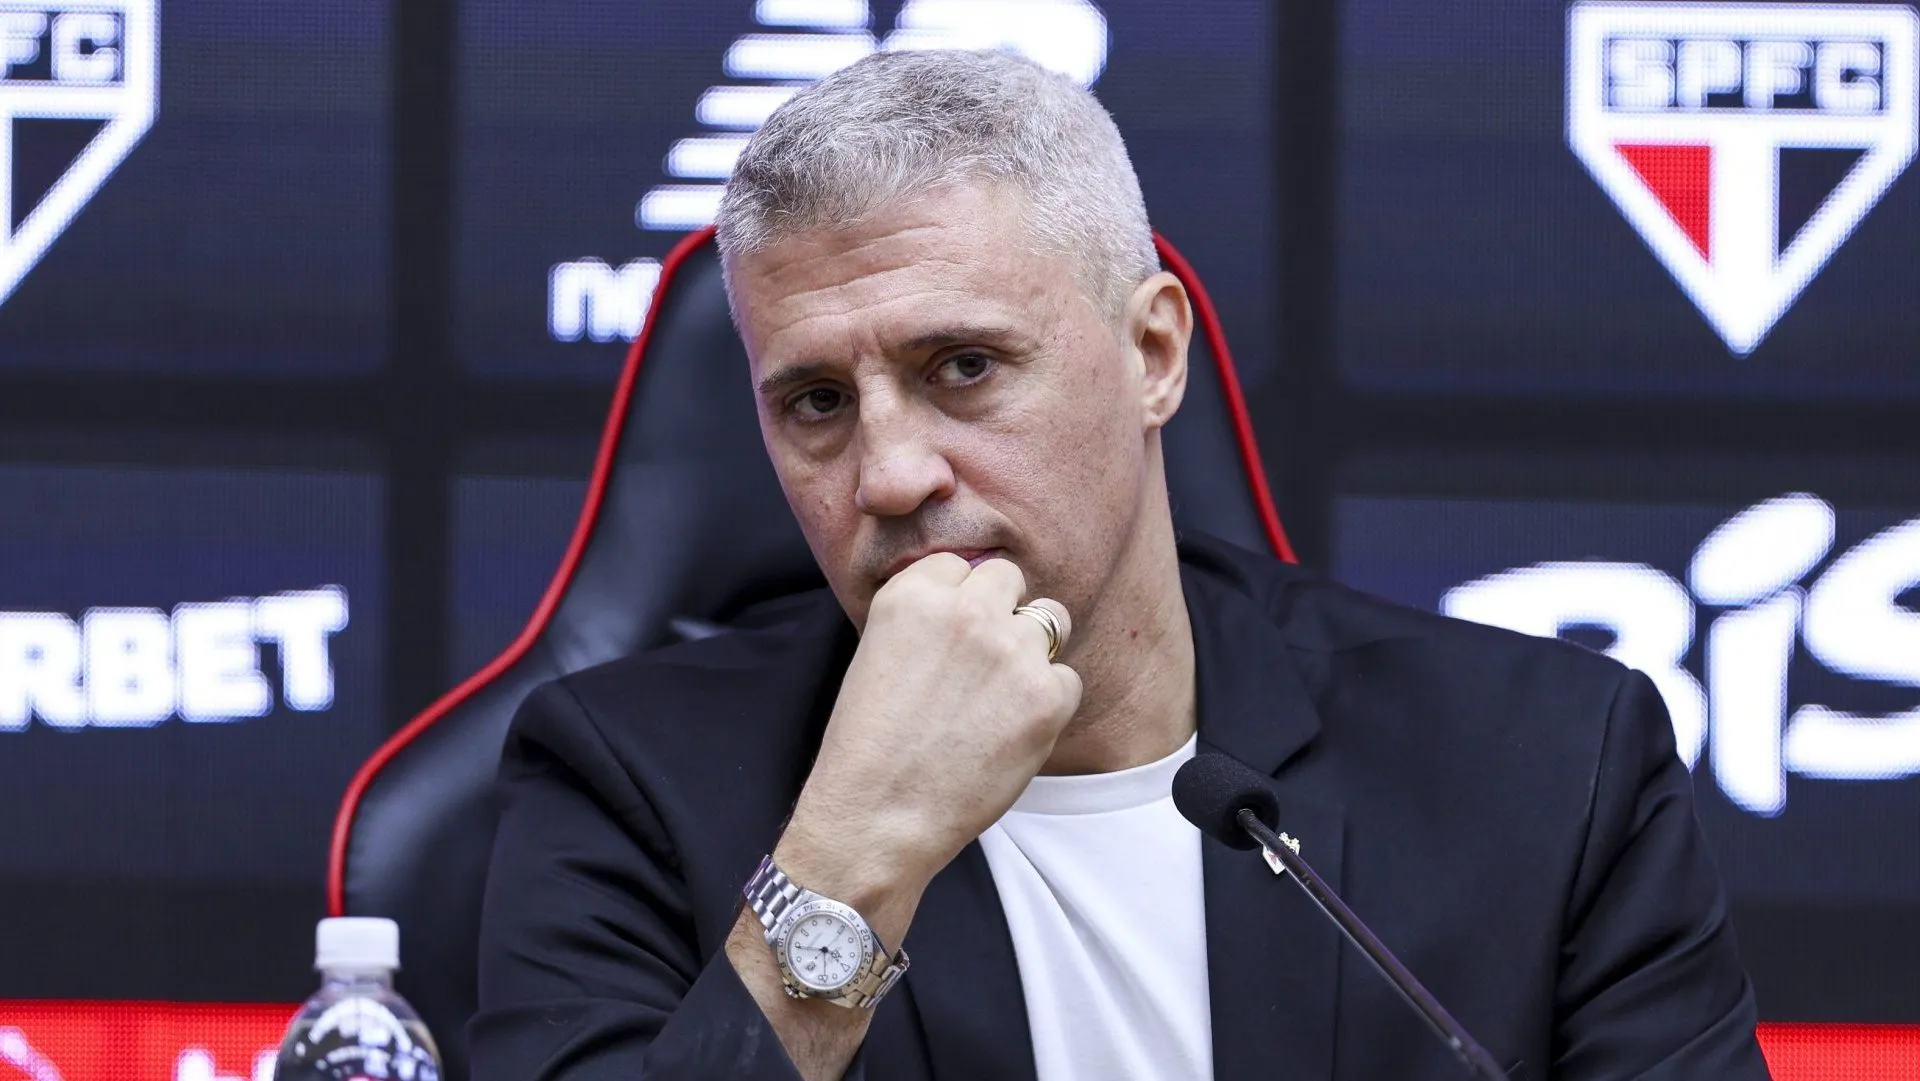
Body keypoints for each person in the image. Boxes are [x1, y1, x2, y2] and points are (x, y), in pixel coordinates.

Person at [469, 48, 1770, 1081]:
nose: (888, 474)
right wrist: (849, 859)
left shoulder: (1546, 766)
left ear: (1153, 356)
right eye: (815, 402)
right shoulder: (625, 786)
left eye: (962, 368)